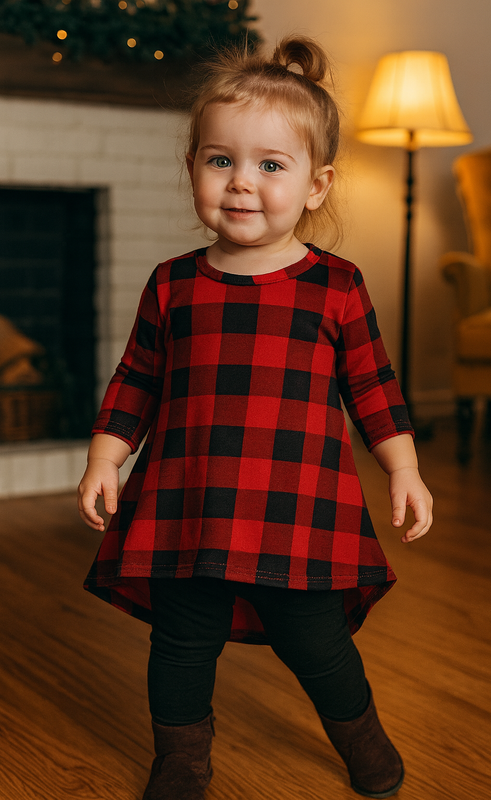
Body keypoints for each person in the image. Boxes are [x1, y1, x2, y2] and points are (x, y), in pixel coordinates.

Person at [78, 35, 433, 800]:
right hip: (188, 507)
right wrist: (105, 458)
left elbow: (373, 386)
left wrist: (403, 469)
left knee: (318, 646)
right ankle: (181, 760)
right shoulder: (173, 285)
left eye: (271, 165)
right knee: (179, 643)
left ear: (315, 184)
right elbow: (136, 378)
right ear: (194, 170)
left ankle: (362, 739)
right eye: (220, 161)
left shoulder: (334, 286)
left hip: (296, 510)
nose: (242, 183)